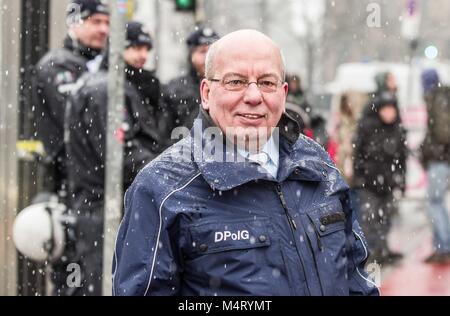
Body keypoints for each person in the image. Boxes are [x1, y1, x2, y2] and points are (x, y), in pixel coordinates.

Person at [112, 29, 379, 296]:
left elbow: (356, 278)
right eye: (236, 82)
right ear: (206, 93)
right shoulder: (161, 188)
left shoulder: (317, 164)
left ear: (283, 93)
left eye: (266, 82)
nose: (253, 96)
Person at [54, 21, 166, 296]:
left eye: (145, 48)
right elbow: (121, 154)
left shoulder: (108, 86)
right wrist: (167, 170)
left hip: (98, 208)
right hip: (104, 211)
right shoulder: (108, 90)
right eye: (134, 47)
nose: (142, 55)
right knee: (104, 283)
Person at [33, 0, 110, 195]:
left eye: (107, 23)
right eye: (96, 21)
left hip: (96, 179)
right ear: (74, 22)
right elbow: (79, 121)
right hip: (70, 182)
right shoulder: (56, 65)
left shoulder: (101, 65)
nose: (103, 29)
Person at [353, 91, 407, 265]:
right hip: (369, 182)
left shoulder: (398, 129)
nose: (389, 114)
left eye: (392, 110)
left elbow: (402, 158)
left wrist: (401, 180)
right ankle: (371, 254)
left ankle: (383, 250)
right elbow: (358, 154)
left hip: (389, 183)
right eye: (385, 109)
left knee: (386, 219)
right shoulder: (368, 127)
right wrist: (360, 176)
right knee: (370, 220)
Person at [163, 26, 219, 130]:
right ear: (191, 56)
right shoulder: (174, 90)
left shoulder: (232, 87)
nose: (208, 57)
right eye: (202, 51)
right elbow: (164, 133)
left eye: (212, 52)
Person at [420, 69, 450, 263]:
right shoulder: (441, 97)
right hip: (441, 158)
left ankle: (444, 246)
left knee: (434, 202)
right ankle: (441, 246)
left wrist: (429, 148)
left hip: (440, 159)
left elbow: (442, 132)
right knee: (436, 202)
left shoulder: (436, 99)